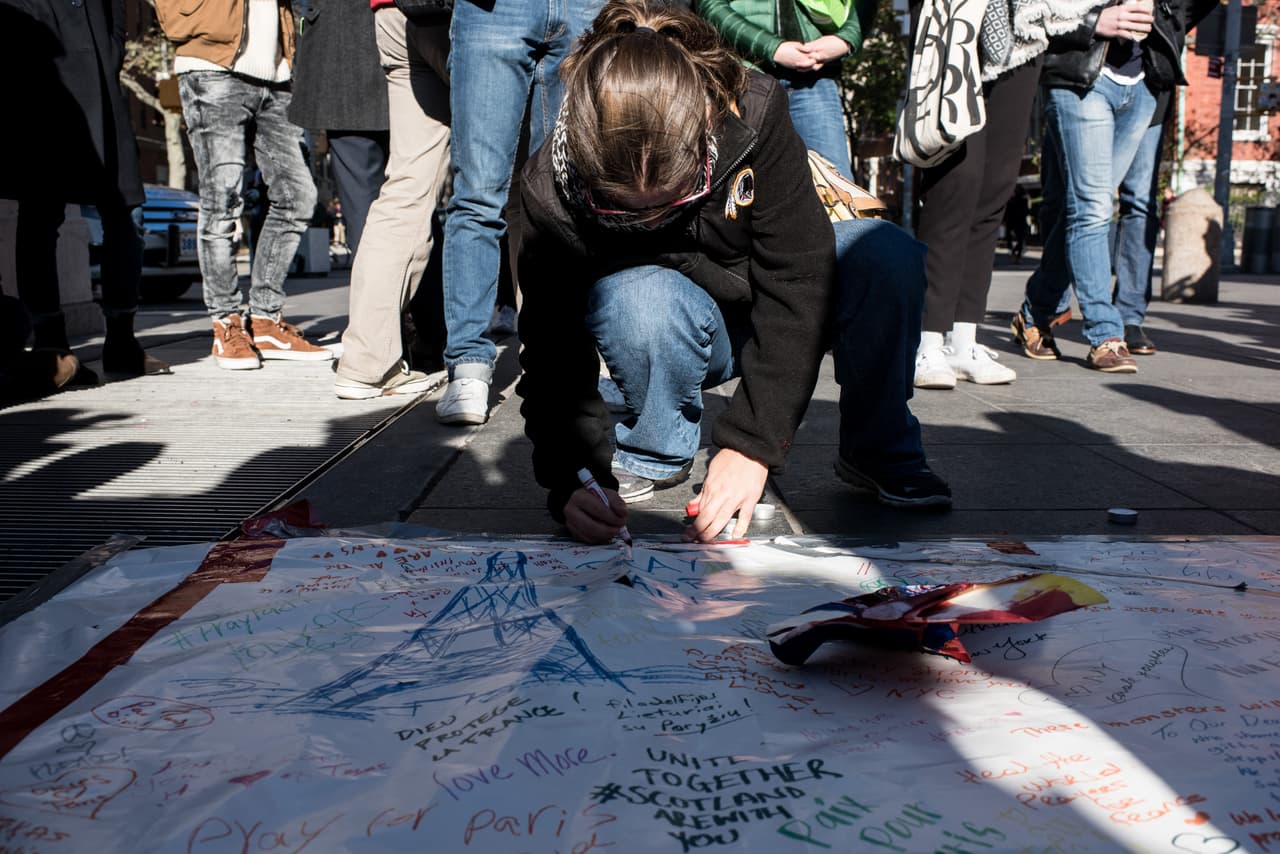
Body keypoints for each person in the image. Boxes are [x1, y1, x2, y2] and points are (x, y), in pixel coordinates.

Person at [516, 0, 950, 545]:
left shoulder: (752, 108)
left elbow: (798, 277)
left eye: (672, 200)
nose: (653, 220)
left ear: (703, 131)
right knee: (634, 296)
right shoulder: (548, 186)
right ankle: (657, 444)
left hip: (775, 301)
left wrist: (751, 444)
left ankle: (879, 447)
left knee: (885, 253)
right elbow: (551, 349)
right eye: (628, 211)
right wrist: (571, 480)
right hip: (682, 316)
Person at [1012, 0, 1210, 374]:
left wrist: (1172, 22)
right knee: (1093, 208)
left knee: (1090, 210)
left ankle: (1034, 311)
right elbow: (1029, 10)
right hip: (1082, 78)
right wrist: (1093, 21)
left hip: (1144, 84)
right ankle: (1105, 334)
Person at [909, 0, 1097, 391]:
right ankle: (926, 342)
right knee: (954, 187)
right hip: (953, 22)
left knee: (995, 191)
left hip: (1023, 33)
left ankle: (964, 340)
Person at [432, 0, 604, 425]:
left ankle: (562, 363)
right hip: (494, 7)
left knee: (567, 195)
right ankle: (469, 367)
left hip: (585, 7)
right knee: (479, 192)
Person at [156, 0, 332, 371]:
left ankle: (265, 321)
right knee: (223, 201)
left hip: (276, 76)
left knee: (299, 197)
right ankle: (227, 324)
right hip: (212, 69)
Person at [0, 0, 169, 382]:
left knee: (128, 215)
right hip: (37, 90)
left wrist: (110, 51)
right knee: (39, 219)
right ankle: (50, 344)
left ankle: (122, 339)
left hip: (102, 89)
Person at [326, 1, 452, 399]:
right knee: (527, 180)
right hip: (468, 15)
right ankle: (558, 369)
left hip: (396, 13)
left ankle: (365, 363)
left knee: (406, 187)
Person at [696, 0, 875, 178]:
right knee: (738, 187)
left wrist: (846, 39)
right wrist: (772, 47)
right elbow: (710, 5)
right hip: (743, 75)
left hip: (813, 78)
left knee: (837, 190)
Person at [1004, 184, 1030, 265]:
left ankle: (1015, 253)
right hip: (1019, 221)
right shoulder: (1023, 200)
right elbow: (1026, 211)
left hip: (1014, 221)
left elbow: (1008, 211)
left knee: (1016, 239)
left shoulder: (1012, 200)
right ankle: (1016, 255)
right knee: (1021, 239)